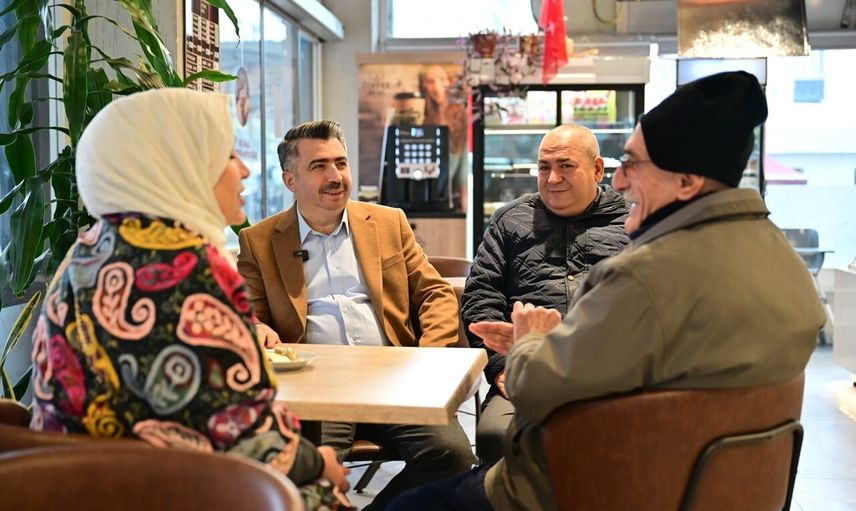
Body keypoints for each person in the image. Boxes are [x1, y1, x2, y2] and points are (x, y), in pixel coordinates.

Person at [386, 71, 827, 511]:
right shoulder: (786, 264)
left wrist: (531, 344)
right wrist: (564, 343)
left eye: (633, 165)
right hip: (723, 487)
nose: (619, 182)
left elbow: (537, 391)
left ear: (687, 182)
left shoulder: (645, 276)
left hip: (594, 485)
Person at [29, 88, 352, 510]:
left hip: (74, 486)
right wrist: (320, 462)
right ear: (181, 166)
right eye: (228, 156)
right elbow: (248, 439)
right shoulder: (187, 267)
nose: (245, 170)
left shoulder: (88, 250)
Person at [236, 119, 476, 510]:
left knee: (452, 455)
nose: (335, 177)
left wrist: (428, 356)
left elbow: (435, 293)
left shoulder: (388, 222)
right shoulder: (259, 240)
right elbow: (247, 314)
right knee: (308, 472)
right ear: (290, 180)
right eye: (319, 166)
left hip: (395, 379)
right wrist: (258, 328)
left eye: (341, 163)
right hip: (318, 388)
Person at [463, 124, 629, 464]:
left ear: (597, 169)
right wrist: (501, 368)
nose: (553, 178)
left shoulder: (633, 223)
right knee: (496, 435)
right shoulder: (510, 221)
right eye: (544, 167)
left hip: (614, 376)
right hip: (527, 371)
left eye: (565, 165)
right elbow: (481, 295)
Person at [420, 64, 468, 211]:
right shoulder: (422, 116)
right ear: (425, 86)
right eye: (431, 81)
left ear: (449, 81)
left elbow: (463, 164)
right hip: (424, 196)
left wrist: (466, 208)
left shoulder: (461, 115)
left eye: (441, 79)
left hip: (451, 198)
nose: (437, 86)